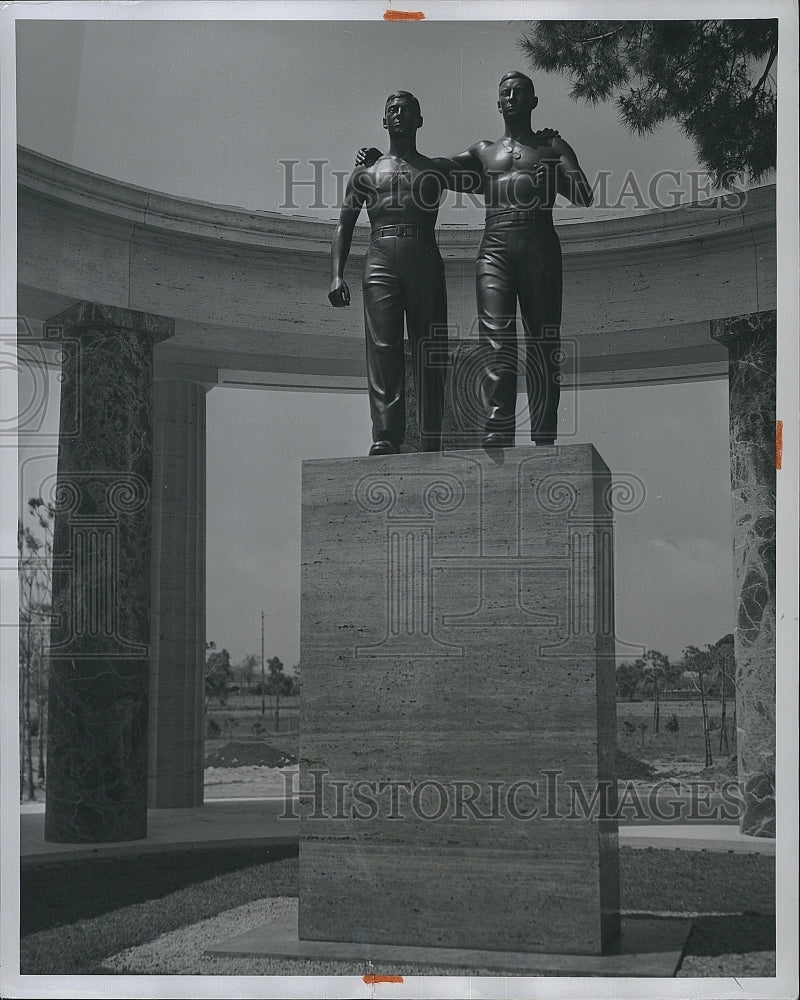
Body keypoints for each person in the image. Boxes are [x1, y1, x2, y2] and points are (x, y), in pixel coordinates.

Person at [358, 71, 593, 448]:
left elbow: (583, 195)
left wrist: (559, 158)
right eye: (506, 93)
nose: (512, 97)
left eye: (520, 92)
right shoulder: (483, 152)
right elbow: (433, 168)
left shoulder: (552, 148)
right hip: (496, 244)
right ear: (498, 104)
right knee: (495, 339)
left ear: (533, 102)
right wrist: (379, 161)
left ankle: (544, 435)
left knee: (543, 342)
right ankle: (499, 428)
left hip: (539, 243)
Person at [329, 91, 475, 455]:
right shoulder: (366, 173)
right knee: (382, 350)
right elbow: (344, 225)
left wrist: (532, 141)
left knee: (430, 348)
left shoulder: (435, 169)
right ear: (384, 121)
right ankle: (386, 436)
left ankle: (431, 438)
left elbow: (481, 173)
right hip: (380, 258)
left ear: (419, 120)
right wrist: (336, 274)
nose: (398, 114)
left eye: (406, 110)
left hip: (423, 254)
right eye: (392, 110)